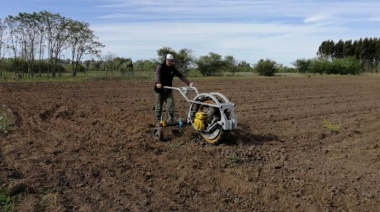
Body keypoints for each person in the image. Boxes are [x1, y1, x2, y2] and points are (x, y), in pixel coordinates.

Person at [154, 54, 194, 123]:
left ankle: (170, 120)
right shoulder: (161, 67)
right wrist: (158, 83)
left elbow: (180, 75)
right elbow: (158, 75)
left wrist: (188, 83)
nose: (170, 62)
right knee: (159, 107)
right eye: (169, 61)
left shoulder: (172, 68)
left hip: (168, 90)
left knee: (171, 106)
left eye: (171, 61)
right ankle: (158, 120)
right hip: (160, 90)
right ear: (165, 60)